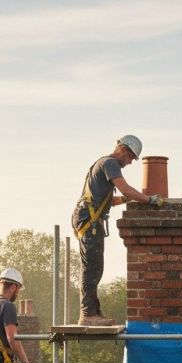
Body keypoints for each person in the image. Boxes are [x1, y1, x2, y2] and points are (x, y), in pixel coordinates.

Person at [72, 135, 163, 326]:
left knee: (95, 267)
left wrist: (127, 200)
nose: (130, 163)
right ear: (122, 149)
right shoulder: (111, 163)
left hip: (89, 220)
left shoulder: (103, 164)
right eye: (130, 157)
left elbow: (108, 200)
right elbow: (126, 189)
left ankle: (93, 313)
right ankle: (88, 315)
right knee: (92, 269)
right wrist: (149, 199)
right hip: (90, 222)